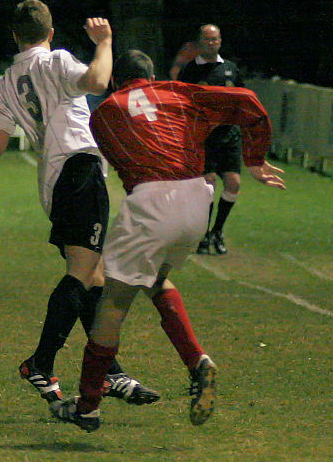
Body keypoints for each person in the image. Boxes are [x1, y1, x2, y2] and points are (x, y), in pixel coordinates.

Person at [50, 48, 285, 433]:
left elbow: (126, 162)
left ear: (115, 81)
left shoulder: (104, 113)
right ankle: (198, 363)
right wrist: (254, 157)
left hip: (152, 200)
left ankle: (88, 406)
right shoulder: (179, 92)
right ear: (153, 75)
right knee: (156, 278)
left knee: (112, 302)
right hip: (197, 199)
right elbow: (248, 101)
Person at [0, 0, 159, 412]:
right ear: (50, 33)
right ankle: (41, 362)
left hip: (53, 184)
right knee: (83, 273)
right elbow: (99, 80)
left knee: (95, 276)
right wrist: (104, 43)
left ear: (15, 36)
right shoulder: (56, 61)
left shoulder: (6, 83)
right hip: (81, 168)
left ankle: (111, 371)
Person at [170, 24, 244, 256]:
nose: (212, 43)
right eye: (207, 39)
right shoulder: (191, 70)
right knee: (208, 185)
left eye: (215, 39)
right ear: (200, 42)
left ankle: (217, 231)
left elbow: (243, 98)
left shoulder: (231, 69)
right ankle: (203, 233)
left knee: (233, 183)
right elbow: (180, 101)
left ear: (220, 41)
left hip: (229, 135)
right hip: (204, 137)